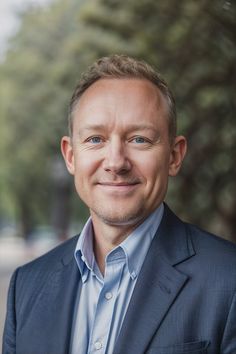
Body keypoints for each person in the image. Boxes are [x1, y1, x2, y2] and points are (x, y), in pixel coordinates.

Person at [2, 55, 236, 354]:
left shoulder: (229, 281)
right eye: (96, 139)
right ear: (71, 156)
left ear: (174, 156)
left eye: (139, 139)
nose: (115, 162)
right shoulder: (27, 286)